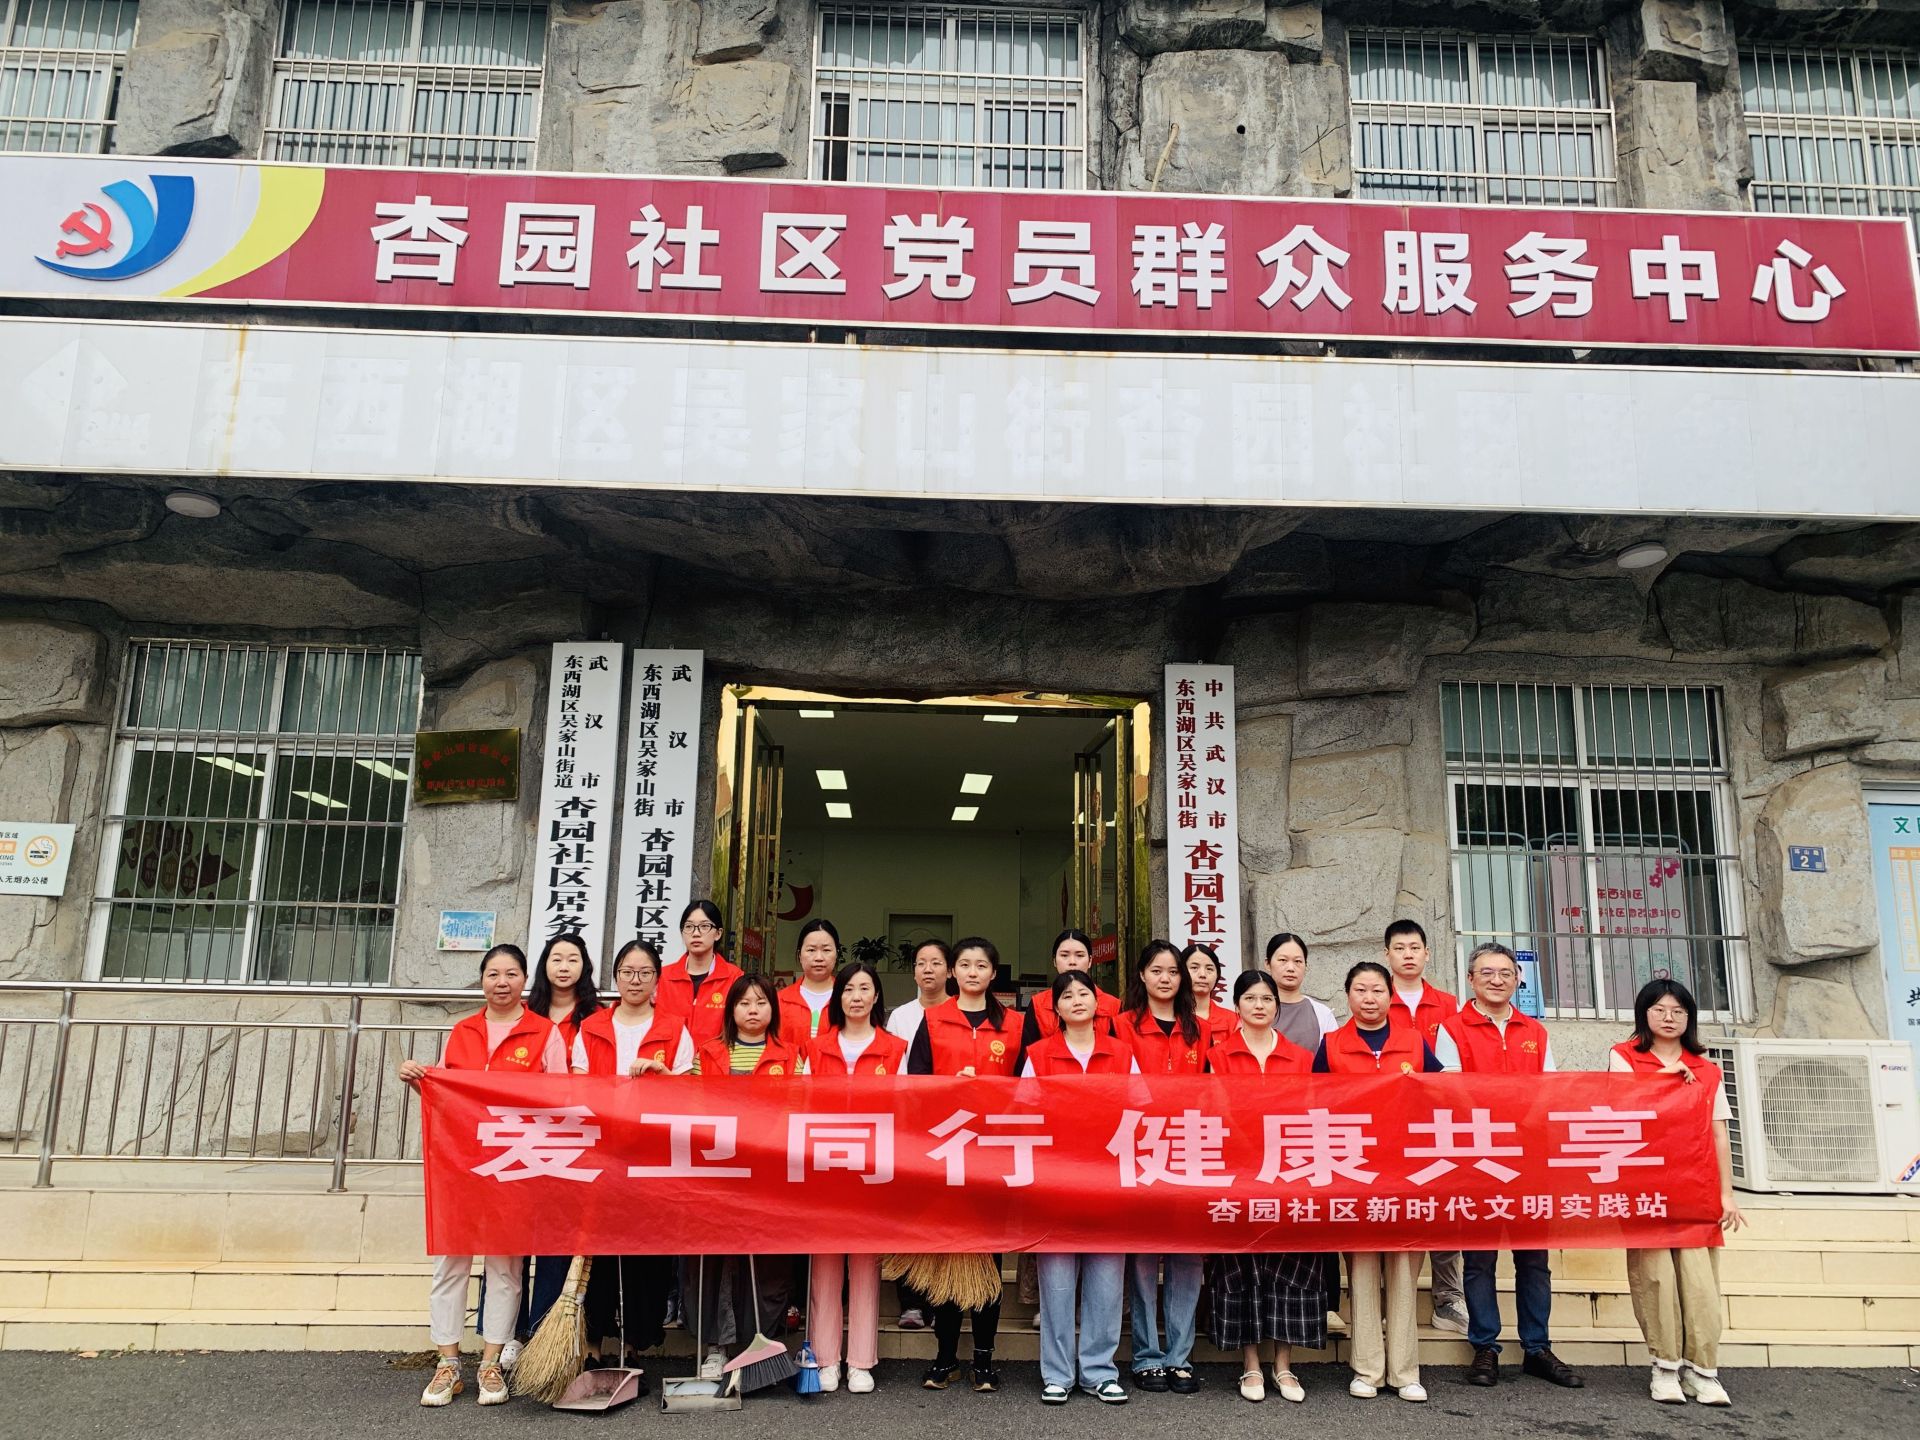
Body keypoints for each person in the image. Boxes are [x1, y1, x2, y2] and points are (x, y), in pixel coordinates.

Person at [397, 944, 567, 1407]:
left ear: (525, 981)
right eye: (493, 974)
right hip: (462, 1166)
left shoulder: (545, 1033)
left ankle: (491, 1362)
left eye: (511, 974)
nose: (502, 982)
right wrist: (421, 1081)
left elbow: (562, 1098)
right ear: (483, 980)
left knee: (505, 1267)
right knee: (450, 1263)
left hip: (515, 1165)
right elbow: (448, 1096)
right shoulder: (463, 1031)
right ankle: (448, 1363)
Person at [1433, 943, 1582, 1390]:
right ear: (1470, 979)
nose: (1496, 980)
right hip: (1477, 1157)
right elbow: (1452, 1092)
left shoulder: (1534, 1030)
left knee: (1534, 1259)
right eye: (1486, 973)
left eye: (1505, 973)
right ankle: (1485, 1346)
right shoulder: (1451, 1029)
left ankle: (1537, 1347)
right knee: (1479, 1259)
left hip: (1528, 1158)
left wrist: (1525, 1125)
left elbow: (1548, 1091)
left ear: (1518, 979)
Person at [1611, 978, 1743, 1407]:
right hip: (1645, 1185)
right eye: (1659, 1010)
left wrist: (1726, 1194)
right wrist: (1661, 1079)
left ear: (1690, 1018)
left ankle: (1703, 1371)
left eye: (1678, 1012)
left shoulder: (1707, 1069)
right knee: (1655, 1278)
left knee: (1700, 1283)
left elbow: (1719, 1133)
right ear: (1643, 1014)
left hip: (1696, 1188)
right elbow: (1619, 1107)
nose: (1669, 1018)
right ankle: (1664, 1365)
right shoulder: (1624, 1056)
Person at [1314, 961, 1441, 1404]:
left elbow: (1441, 1097)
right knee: (1363, 1269)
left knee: (1404, 1270)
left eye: (1377, 990)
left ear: (1391, 996)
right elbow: (1312, 1106)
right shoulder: (1331, 1046)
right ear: (1347, 995)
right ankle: (1367, 1368)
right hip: (1356, 1174)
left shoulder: (1415, 1042)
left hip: (1408, 1174)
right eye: (1360, 990)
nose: (1369, 998)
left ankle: (1405, 1371)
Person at [906, 937, 1022, 1392]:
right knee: (947, 1259)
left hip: (995, 1155)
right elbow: (914, 1086)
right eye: (965, 965)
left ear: (994, 973)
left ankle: (984, 1360)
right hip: (947, 1153)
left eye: (982, 965)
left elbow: (1031, 1089)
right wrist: (949, 1087)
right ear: (953, 972)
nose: (973, 972)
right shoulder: (933, 1020)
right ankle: (945, 1357)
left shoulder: (1015, 1025)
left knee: (989, 1260)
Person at [1206, 969, 1320, 1403]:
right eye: (1250, 998)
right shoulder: (1218, 1056)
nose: (1259, 1005)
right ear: (1236, 1005)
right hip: (1236, 1175)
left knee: (1288, 1270)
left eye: (1267, 999)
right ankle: (1251, 1364)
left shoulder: (1301, 1057)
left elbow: (1310, 1115)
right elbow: (1213, 1113)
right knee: (1243, 1269)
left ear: (1277, 1005)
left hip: (1288, 1174)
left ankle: (1284, 1366)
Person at [569, 939, 685, 1367]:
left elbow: (690, 1092)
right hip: (601, 1153)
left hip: (652, 1156)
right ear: (615, 977)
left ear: (657, 979)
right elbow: (577, 1086)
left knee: (645, 1253)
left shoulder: (675, 1028)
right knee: (598, 1255)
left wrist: (662, 1073)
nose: (635, 980)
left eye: (645, 972)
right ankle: (593, 1346)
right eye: (627, 972)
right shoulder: (592, 1027)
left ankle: (635, 1344)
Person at [1024, 970, 1137, 1405]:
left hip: (1109, 1181)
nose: (1076, 1000)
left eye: (1084, 993)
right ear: (1055, 1008)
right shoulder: (1039, 1055)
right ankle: (1057, 1373)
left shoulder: (1121, 1053)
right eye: (1067, 995)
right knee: (1056, 1283)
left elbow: (1141, 1110)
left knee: (1106, 1281)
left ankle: (1100, 1371)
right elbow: (1025, 1116)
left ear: (1098, 1002)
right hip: (1056, 1181)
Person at [690, 972, 799, 1381]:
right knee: (717, 1257)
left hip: (770, 1171)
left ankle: (760, 1343)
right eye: (744, 1003)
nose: (753, 1011)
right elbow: (691, 1107)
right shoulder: (708, 1053)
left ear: (773, 1009)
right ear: (731, 1010)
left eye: (761, 1002)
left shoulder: (790, 1057)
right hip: (718, 1169)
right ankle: (716, 1348)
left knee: (766, 1258)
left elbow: (799, 1107)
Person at [804, 960, 903, 1393]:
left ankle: (861, 1360)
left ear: (876, 996)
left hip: (872, 1168)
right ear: (837, 997)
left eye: (864, 988)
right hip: (823, 1167)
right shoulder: (815, 1049)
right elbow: (800, 1106)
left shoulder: (895, 1049)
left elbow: (905, 1109)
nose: (856, 997)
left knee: (865, 1264)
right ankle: (825, 1358)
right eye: (848, 989)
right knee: (825, 1265)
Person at [1117, 940, 1209, 1395]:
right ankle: (1146, 1356)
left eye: (1173, 971)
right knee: (1143, 1256)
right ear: (1142, 975)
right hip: (1140, 1148)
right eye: (1157, 970)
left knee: (1187, 1256)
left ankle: (1179, 1357)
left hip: (1191, 1149)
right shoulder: (1121, 1026)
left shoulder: (1200, 1029)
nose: (1166, 978)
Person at [514, 931, 604, 1353]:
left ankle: (541, 1332)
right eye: (556, 958)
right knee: (513, 1239)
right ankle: (508, 1332)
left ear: (585, 966)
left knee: (557, 1237)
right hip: (522, 1137)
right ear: (544, 965)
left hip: (573, 1139)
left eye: (572, 959)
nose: (564, 967)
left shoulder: (597, 1018)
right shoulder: (523, 1014)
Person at [1379, 919, 1466, 1337]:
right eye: (1399, 948)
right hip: (1390, 1122)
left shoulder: (1449, 1004)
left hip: (1440, 1121)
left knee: (1445, 1204)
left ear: (1427, 953)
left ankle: (1448, 1298)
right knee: (1393, 1205)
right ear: (1387, 955)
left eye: (1415, 947)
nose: (1408, 954)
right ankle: (1391, 1301)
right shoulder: (1377, 998)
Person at [882, 938, 952, 1332]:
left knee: (944, 1215)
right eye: (921, 963)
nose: (928, 969)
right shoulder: (901, 1017)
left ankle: (942, 1298)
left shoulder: (960, 1013)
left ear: (949, 970)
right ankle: (911, 1302)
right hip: (909, 1127)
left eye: (936, 962)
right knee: (908, 1214)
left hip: (952, 1129)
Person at [657, 899, 742, 1049]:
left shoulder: (735, 978)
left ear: (718, 933)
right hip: (669, 1061)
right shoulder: (663, 977)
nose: (696, 933)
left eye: (704, 926)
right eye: (689, 927)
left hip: (716, 1061)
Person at [1021, 928, 1121, 1046]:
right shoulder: (1038, 1004)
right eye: (1064, 955)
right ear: (1054, 961)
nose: (1072, 962)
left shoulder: (1113, 1006)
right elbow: (1029, 1052)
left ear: (1090, 961)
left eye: (1079, 955)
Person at [1264, 933, 1338, 1052]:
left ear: (1306, 966)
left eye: (1298, 961)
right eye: (1283, 960)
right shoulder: (1254, 1009)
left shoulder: (1323, 1014)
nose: (1291, 968)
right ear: (1268, 964)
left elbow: (1332, 1057)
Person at [779, 918, 843, 1043]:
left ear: (837, 954)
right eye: (811, 950)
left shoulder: (848, 998)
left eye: (826, 950)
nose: (819, 957)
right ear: (799, 955)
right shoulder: (780, 1000)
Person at [1182, 942, 1238, 1039]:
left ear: (1217, 975)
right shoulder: (1170, 1017)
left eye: (1209, 969)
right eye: (1194, 968)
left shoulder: (1232, 1020)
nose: (1202, 974)